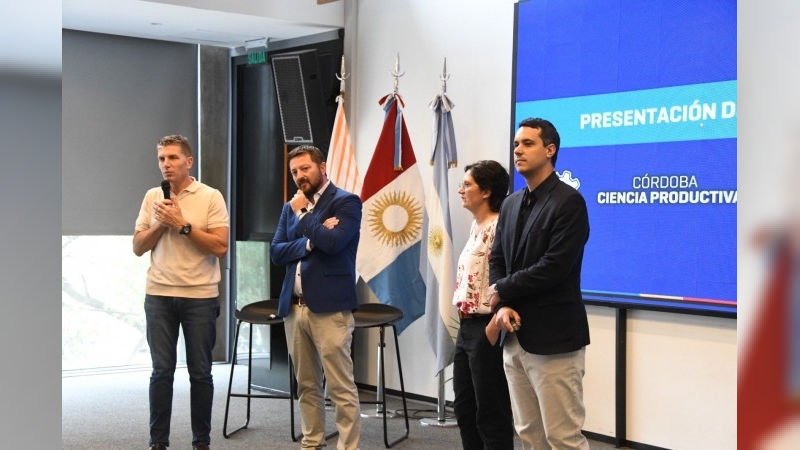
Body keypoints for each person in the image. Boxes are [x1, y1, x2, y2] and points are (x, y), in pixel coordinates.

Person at [488, 117, 591, 450]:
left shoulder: (569, 202)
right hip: (513, 336)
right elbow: (497, 259)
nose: (518, 150)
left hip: (554, 338)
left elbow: (554, 267)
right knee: (529, 435)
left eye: (528, 143)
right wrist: (502, 306)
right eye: (516, 144)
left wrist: (501, 290)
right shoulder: (510, 203)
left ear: (550, 150)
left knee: (562, 438)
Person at [133, 134, 229, 450]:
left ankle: (201, 442)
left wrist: (182, 225)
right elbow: (138, 247)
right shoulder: (152, 196)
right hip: (158, 295)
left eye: (173, 158)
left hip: (200, 297)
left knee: (200, 373)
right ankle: (158, 442)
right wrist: (162, 223)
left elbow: (220, 247)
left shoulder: (211, 196)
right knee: (161, 372)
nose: (166, 164)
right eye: (162, 158)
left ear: (189, 161)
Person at [270, 145, 363, 450]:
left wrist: (304, 215)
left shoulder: (346, 202)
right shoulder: (289, 207)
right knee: (306, 385)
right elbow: (276, 252)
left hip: (331, 309)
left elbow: (334, 243)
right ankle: (312, 443)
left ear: (322, 167)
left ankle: (348, 447)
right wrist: (311, 242)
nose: (300, 176)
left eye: (305, 168)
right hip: (294, 309)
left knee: (339, 387)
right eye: (294, 171)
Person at [452, 160, 515, 450]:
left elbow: (508, 276)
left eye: (467, 185)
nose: (460, 190)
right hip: (465, 328)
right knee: (465, 410)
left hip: (486, 326)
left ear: (487, 191)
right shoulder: (475, 226)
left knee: (490, 413)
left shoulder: (500, 226)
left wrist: (491, 327)